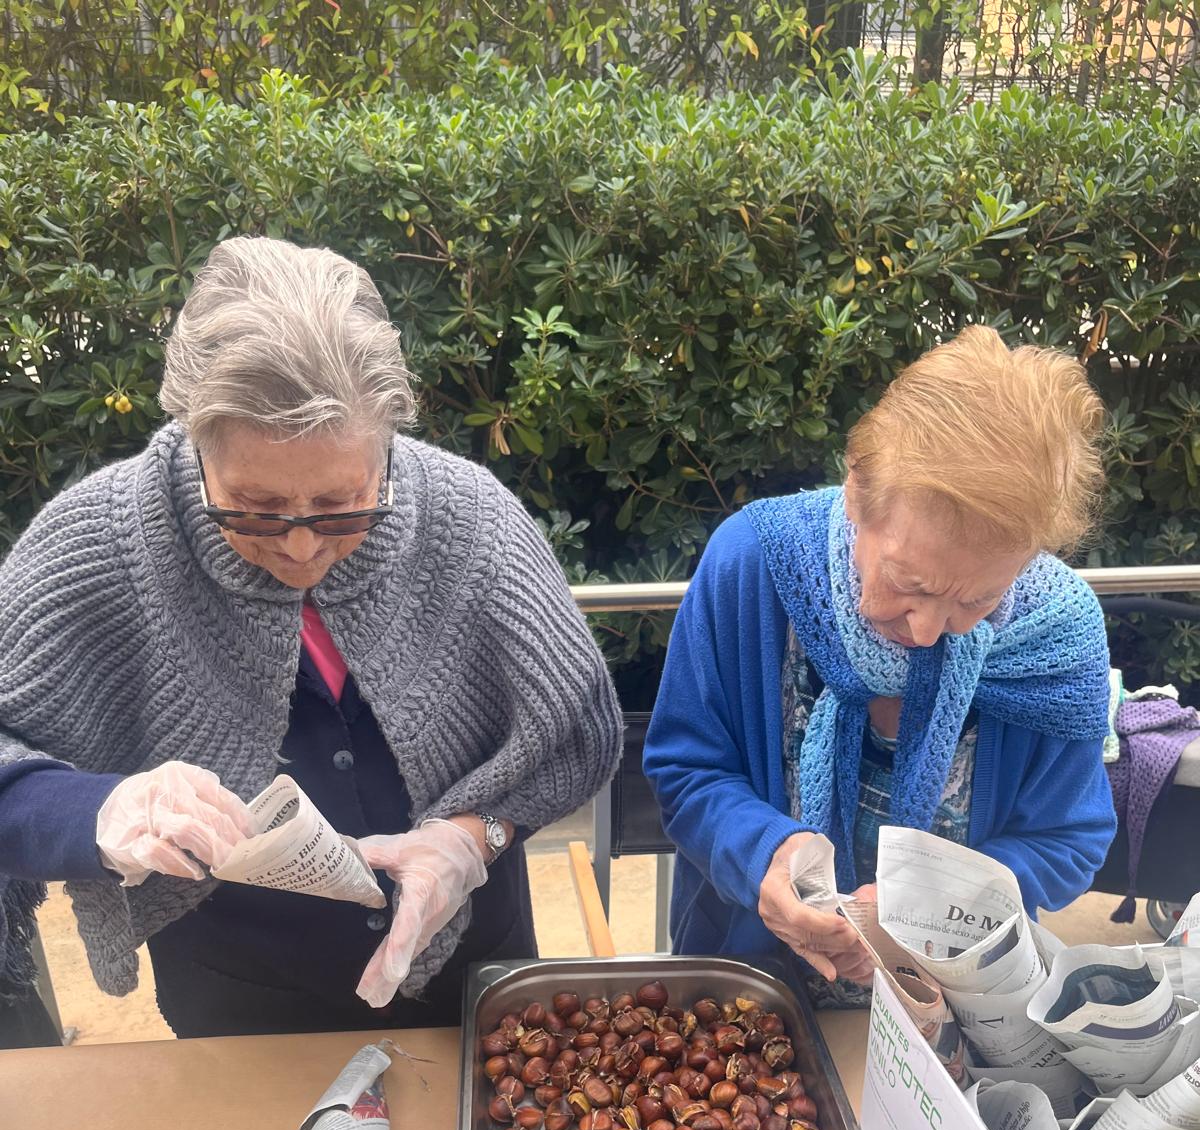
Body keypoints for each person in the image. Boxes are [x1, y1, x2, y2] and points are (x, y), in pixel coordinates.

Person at [0, 237, 622, 1037]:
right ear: (196, 440)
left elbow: (576, 729)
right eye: (253, 508)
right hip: (240, 997)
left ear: (388, 443)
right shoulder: (98, 545)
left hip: (475, 967)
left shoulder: (468, 520)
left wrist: (475, 836)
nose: (301, 547)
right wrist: (103, 807)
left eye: (344, 505)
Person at [643, 325, 1115, 992]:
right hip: (748, 1000)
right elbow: (685, 768)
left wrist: (941, 912)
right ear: (856, 491)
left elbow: (1069, 838)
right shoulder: (751, 565)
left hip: (952, 1008)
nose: (927, 633)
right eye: (908, 584)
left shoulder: (1057, 641)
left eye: (978, 599)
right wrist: (763, 855)